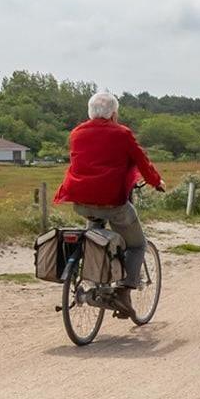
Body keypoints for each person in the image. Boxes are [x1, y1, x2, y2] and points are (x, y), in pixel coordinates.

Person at [53, 90, 163, 318]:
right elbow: (142, 161)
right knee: (137, 245)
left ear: (90, 113)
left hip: (81, 201)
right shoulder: (122, 133)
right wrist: (156, 181)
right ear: (113, 114)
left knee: (94, 238)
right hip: (112, 202)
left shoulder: (76, 133)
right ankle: (123, 292)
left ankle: (95, 282)